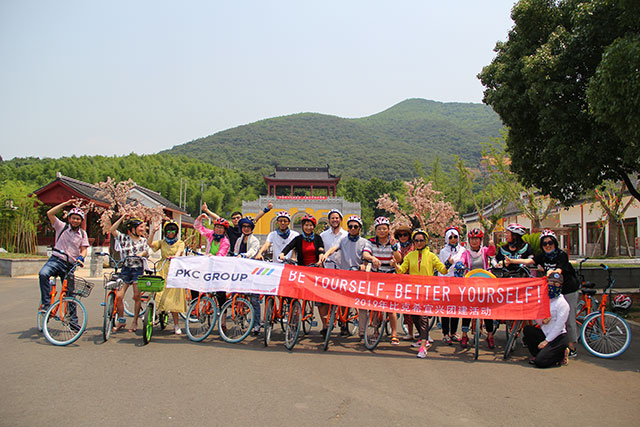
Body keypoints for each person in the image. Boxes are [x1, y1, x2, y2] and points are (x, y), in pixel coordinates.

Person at [319, 215, 377, 339]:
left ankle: (362, 332)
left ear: (359, 228)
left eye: (355, 226)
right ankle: (335, 322)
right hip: (344, 274)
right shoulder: (343, 240)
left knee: (361, 304)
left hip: (357, 275)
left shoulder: (364, 242)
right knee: (336, 298)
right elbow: (333, 248)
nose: (352, 228)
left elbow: (366, 254)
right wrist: (326, 254)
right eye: (350, 226)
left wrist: (370, 259)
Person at [396, 229, 449, 358]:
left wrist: (448, 263)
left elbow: (443, 270)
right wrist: (396, 265)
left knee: (423, 318)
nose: (419, 243)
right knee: (414, 316)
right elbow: (402, 271)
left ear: (425, 241)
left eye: (421, 240)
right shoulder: (410, 256)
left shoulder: (431, 256)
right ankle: (421, 338)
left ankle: (424, 346)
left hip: (427, 292)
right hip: (413, 291)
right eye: (416, 241)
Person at [534, 229, 580, 358]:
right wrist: (511, 261)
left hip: (568, 289)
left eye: (550, 242)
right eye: (545, 243)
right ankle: (553, 343)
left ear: (555, 243)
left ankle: (571, 346)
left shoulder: (561, 255)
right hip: (553, 291)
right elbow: (529, 261)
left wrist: (551, 272)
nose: (548, 245)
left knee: (569, 319)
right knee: (551, 316)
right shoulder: (542, 256)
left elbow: (559, 269)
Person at [38, 200, 89, 315]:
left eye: (78, 219)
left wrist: (81, 258)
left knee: (70, 294)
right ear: (69, 219)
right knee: (43, 274)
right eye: (73, 218)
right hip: (55, 260)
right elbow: (50, 213)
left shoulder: (82, 234)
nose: (75, 220)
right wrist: (64, 204)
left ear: (81, 221)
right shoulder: (61, 226)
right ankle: (46, 304)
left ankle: (73, 323)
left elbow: (84, 249)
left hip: (70, 265)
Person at [109, 215, 150, 333]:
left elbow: (147, 251)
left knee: (137, 296)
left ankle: (135, 321)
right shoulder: (123, 238)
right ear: (132, 229)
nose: (142, 230)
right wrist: (122, 218)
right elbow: (112, 230)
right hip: (126, 269)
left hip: (138, 269)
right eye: (140, 227)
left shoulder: (143, 241)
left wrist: (142, 254)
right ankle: (122, 319)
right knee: (119, 296)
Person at [459, 228, 497, 348]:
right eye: (472, 239)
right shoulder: (466, 253)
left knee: (487, 311)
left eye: (477, 239)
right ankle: (464, 335)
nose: (474, 241)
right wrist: (460, 264)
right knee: (468, 310)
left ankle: (490, 336)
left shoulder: (484, 251)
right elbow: (461, 260)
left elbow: (491, 253)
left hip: (484, 285)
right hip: (470, 285)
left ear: (480, 240)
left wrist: (492, 246)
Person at [522, 272, 570, 368]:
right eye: (551, 283)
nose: (553, 286)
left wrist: (547, 341)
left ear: (560, 286)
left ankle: (560, 355)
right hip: (545, 332)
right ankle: (538, 354)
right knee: (528, 330)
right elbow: (539, 321)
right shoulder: (543, 298)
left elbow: (559, 326)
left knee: (540, 363)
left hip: (558, 337)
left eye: (556, 284)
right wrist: (543, 319)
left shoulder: (562, 303)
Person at [148, 220, 186, 335]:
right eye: (168, 230)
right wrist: (153, 232)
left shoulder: (180, 242)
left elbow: (179, 251)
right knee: (157, 292)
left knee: (174, 297)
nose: (171, 232)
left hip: (175, 270)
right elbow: (150, 244)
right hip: (162, 268)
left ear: (176, 232)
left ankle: (176, 324)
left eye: (173, 230)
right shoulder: (162, 242)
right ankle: (152, 314)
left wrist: (175, 256)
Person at [366, 216, 399, 345]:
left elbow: (399, 257)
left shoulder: (394, 242)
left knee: (391, 307)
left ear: (388, 230)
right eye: (379, 229)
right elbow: (366, 253)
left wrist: (394, 254)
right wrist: (372, 258)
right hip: (376, 276)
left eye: (384, 228)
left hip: (390, 276)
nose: (381, 231)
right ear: (375, 230)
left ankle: (394, 333)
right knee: (375, 306)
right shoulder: (371, 242)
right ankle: (375, 330)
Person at [201, 201, 272, 252]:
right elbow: (219, 219)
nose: (236, 220)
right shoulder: (230, 229)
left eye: (238, 218)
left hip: (246, 253)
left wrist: (267, 209)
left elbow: (256, 218)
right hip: (233, 254)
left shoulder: (246, 228)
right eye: (234, 218)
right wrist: (207, 210)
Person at [194, 214, 231, 308]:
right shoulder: (210, 234)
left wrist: (213, 256)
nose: (219, 229)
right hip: (208, 265)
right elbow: (198, 227)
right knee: (194, 283)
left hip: (219, 268)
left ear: (224, 230)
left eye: (221, 228)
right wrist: (200, 217)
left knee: (220, 292)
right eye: (217, 227)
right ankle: (194, 307)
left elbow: (221, 254)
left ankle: (223, 314)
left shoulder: (225, 242)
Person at [438, 226, 466, 345]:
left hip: (459, 282)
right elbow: (441, 268)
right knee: (446, 308)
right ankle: (445, 333)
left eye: (455, 237)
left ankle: (454, 332)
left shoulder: (463, 250)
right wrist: (448, 265)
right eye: (451, 237)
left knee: (455, 308)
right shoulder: (443, 251)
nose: (453, 239)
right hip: (446, 281)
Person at [233, 217, 262, 334]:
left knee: (254, 300)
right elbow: (235, 250)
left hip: (251, 271)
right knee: (236, 296)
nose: (246, 228)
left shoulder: (254, 240)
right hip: (240, 270)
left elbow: (253, 251)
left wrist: (244, 255)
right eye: (244, 226)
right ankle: (240, 317)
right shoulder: (239, 240)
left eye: (248, 227)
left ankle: (256, 325)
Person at [391, 224, 415, 341]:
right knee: (407, 307)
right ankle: (410, 332)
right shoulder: (397, 246)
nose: (403, 237)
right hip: (402, 278)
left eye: (405, 234)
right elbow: (398, 259)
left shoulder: (414, 245)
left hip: (415, 278)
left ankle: (424, 333)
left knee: (417, 307)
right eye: (400, 235)